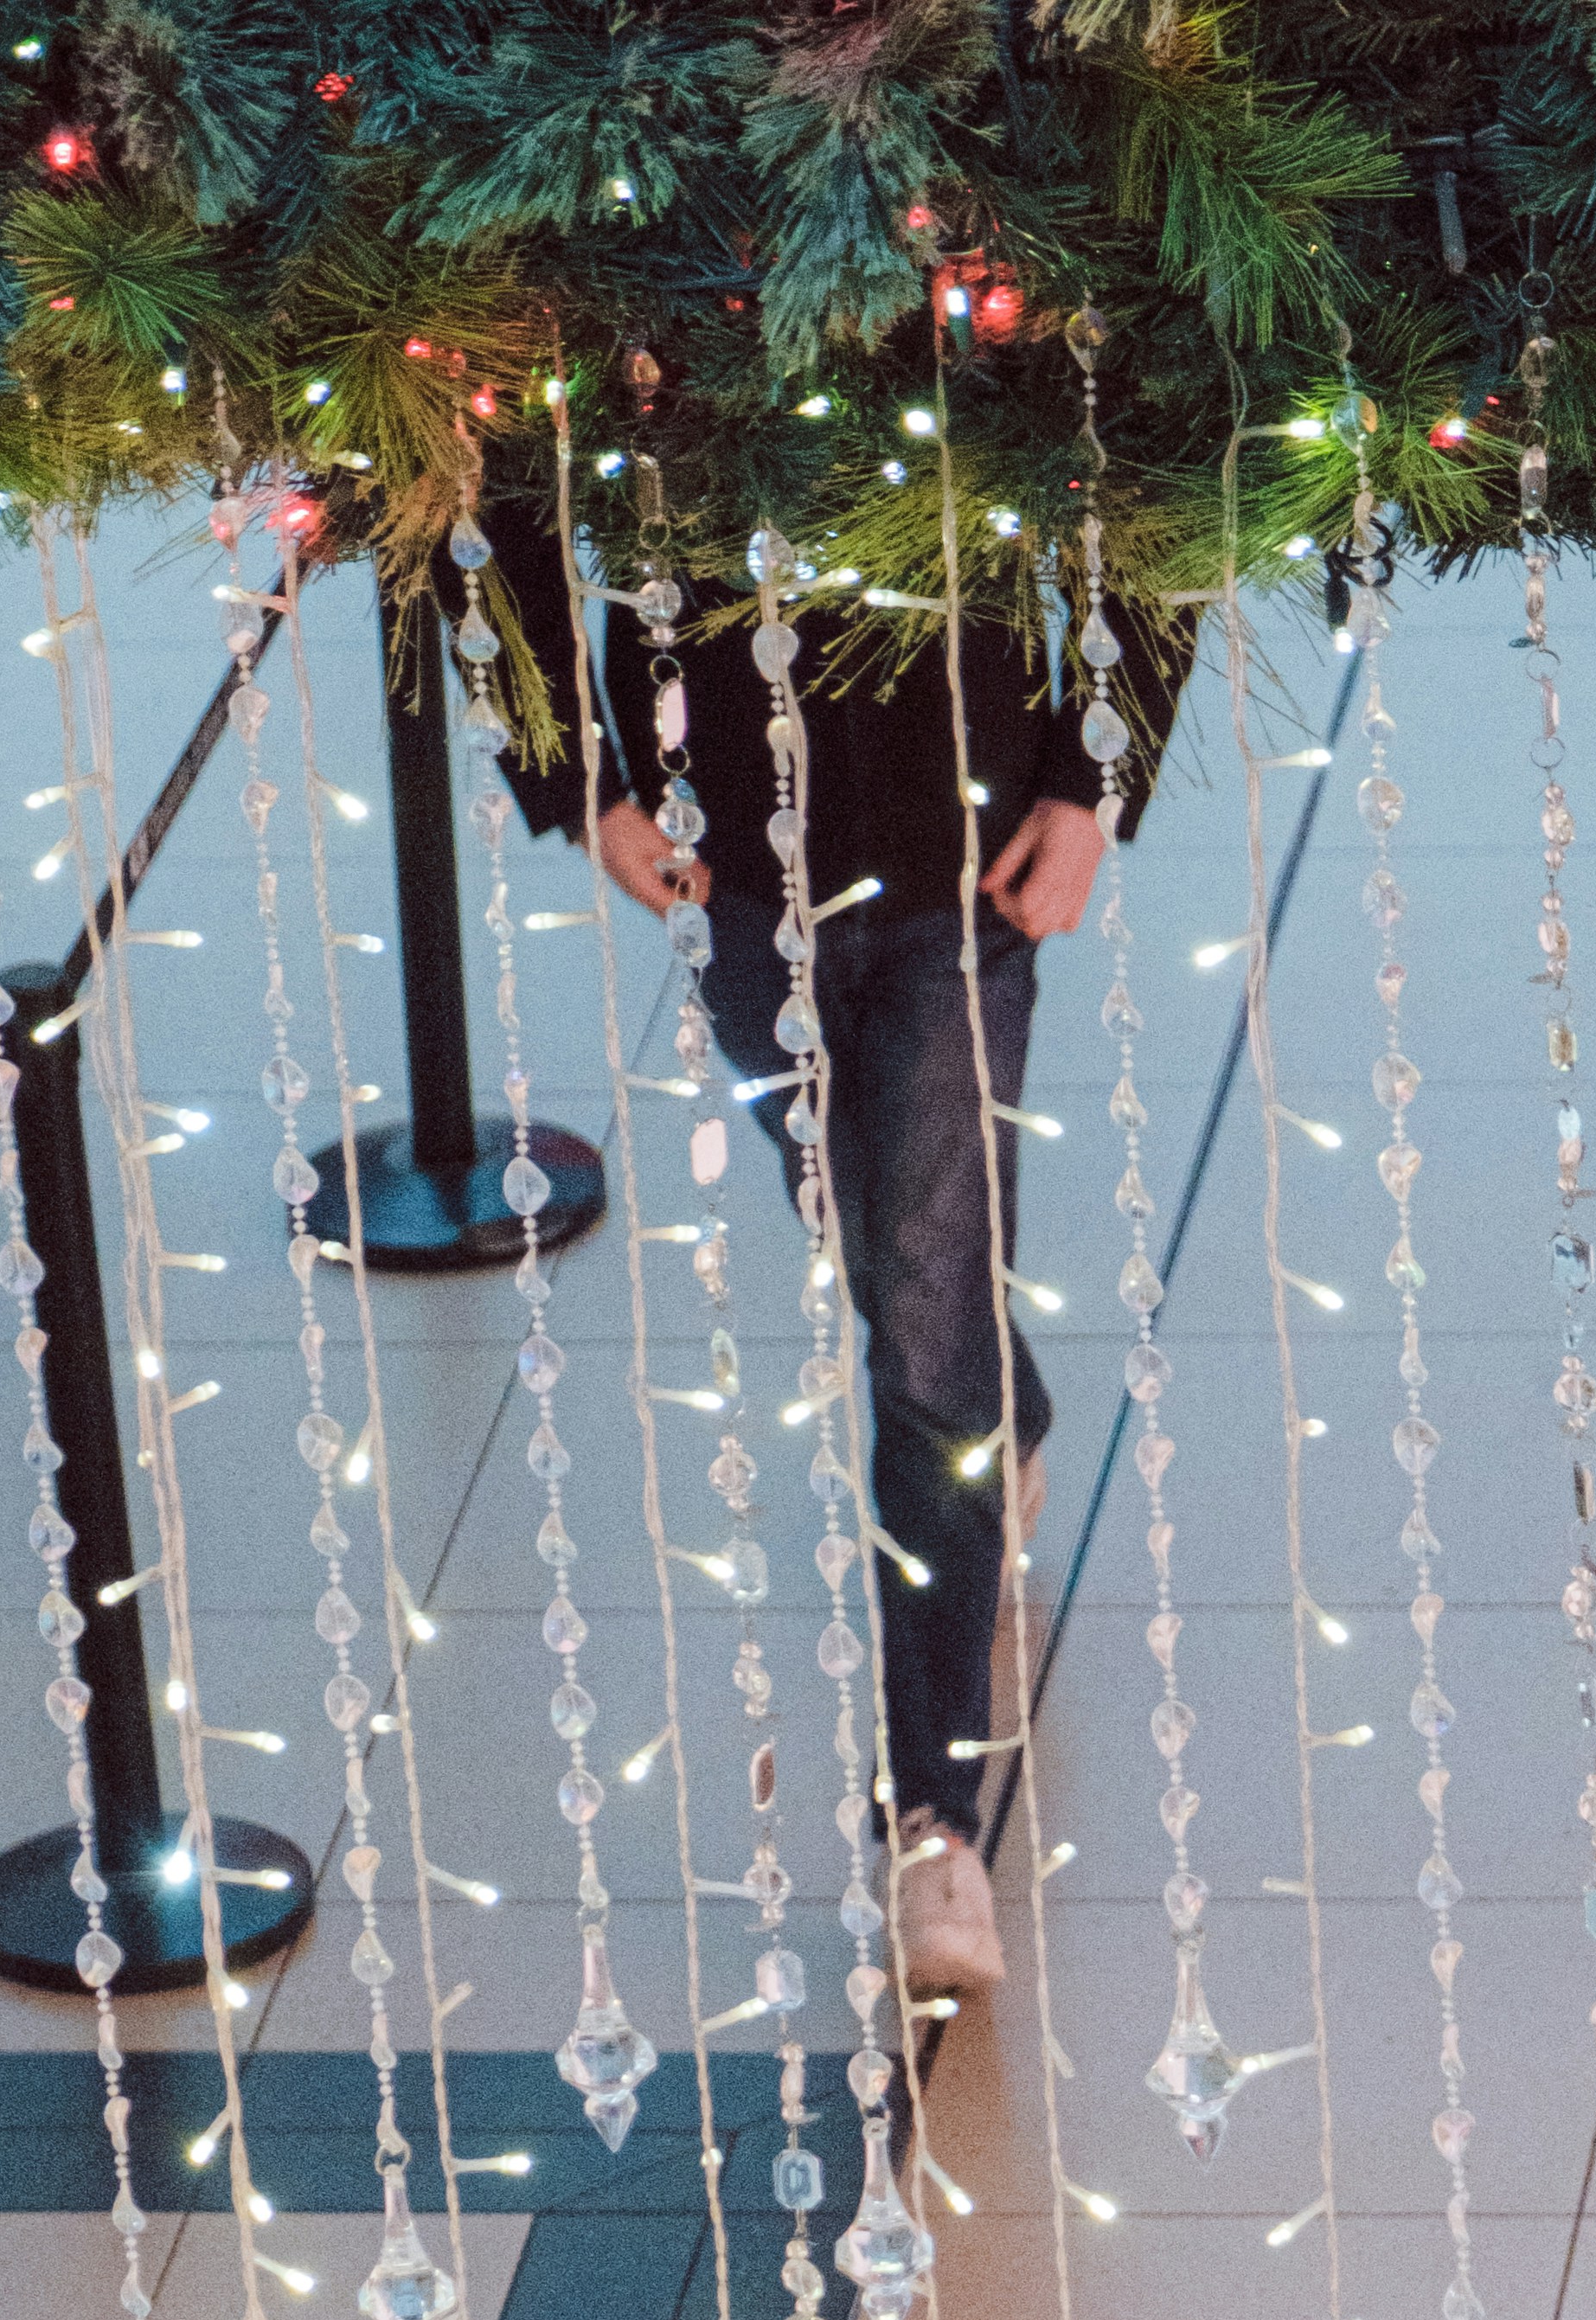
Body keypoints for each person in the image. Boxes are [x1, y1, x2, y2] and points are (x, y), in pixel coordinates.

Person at [490, 519, 1183, 2011]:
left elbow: (1152, 467)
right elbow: (473, 514)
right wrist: (583, 784)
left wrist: (1092, 773)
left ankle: (928, 1817)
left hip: (958, 862)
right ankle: (1010, 1414)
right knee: (887, 1255)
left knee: (921, 1324)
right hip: (728, 866)